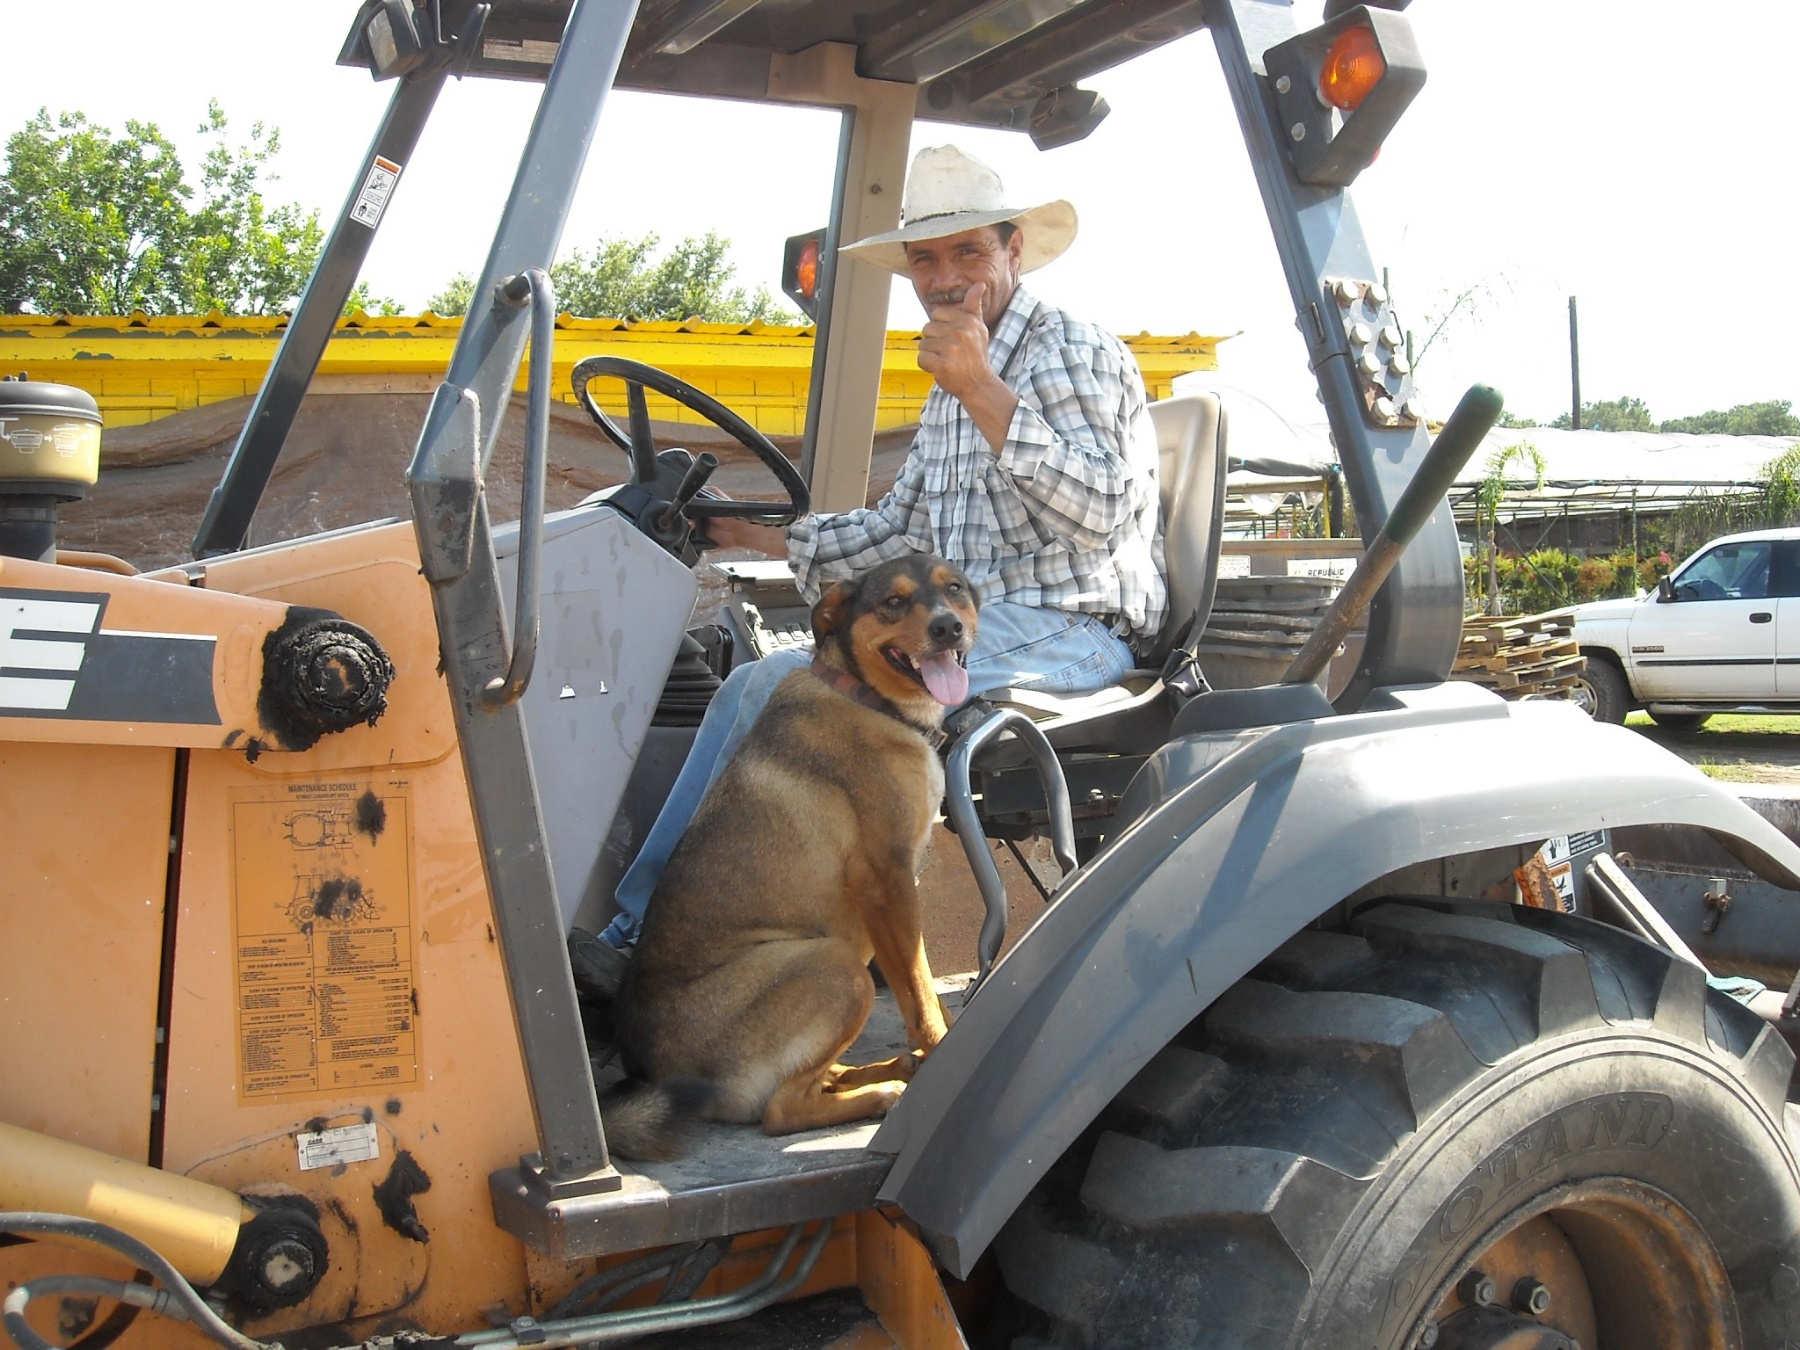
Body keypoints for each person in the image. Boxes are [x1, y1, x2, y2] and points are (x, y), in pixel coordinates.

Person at [588, 144, 1168, 966]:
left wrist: (982, 391)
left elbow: (1104, 518)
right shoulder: (947, 387)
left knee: (802, 690)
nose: (944, 276)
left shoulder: (1067, 351)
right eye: (925, 259)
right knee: (751, 684)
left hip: (1074, 628)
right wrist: (745, 531)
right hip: (966, 622)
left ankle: (645, 945)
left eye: (969, 250)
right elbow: (901, 535)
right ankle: (661, 933)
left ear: (1012, 251)